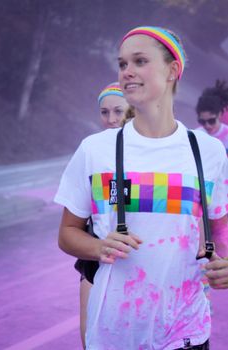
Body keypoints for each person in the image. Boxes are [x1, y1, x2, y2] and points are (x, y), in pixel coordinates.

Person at [55, 26, 228, 349]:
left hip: (186, 329)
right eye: (122, 64)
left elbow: (219, 227)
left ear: (173, 70)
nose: (127, 72)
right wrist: (98, 247)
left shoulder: (208, 151)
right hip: (114, 333)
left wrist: (224, 264)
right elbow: (67, 232)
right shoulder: (95, 150)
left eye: (139, 61)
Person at [75, 81, 129, 349]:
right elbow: (74, 220)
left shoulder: (152, 156)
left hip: (138, 263)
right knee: (91, 338)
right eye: (105, 112)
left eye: (118, 111)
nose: (111, 119)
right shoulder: (92, 150)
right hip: (97, 259)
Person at [196, 80, 228, 155]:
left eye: (211, 121)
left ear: (220, 114)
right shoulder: (197, 135)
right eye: (202, 122)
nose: (207, 125)